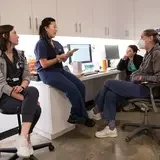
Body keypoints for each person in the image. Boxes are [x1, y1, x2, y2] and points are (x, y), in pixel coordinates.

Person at [88, 29, 160, 138]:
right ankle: (111, 128)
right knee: (110, 94)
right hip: (141, 85)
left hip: (149, 89)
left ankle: (96, 110)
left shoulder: (157, 53)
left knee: (108, 82)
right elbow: (140, 70)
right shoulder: (148, 53)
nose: (140, 40)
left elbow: (158, 78)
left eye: (142, 37)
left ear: (150, 38)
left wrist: (140, 77)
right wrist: (134, 75)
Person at [34, 17, 95, 127]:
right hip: (47, 73)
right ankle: (82, 116)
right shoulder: (41, 44)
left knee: (80, 86)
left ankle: (76, 115)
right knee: (72, 88)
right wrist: (58, 58)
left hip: (59, 70)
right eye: (54, 26)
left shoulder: (57, 43)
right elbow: (44, 64)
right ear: (46, 28)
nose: (56, 29)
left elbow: (62, 59)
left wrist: (67, 55)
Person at [0, 25, 41, 158]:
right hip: (5, 97)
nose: (18, 36)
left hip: (21, 92)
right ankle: (25, 139)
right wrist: (27, 100)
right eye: (15, 33)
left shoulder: (21, 55)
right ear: (5, 36)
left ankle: (22, 138)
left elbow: (27, 76)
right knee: (36, 108)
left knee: (32, 90)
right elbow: (1, 85)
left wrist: (23, 87)